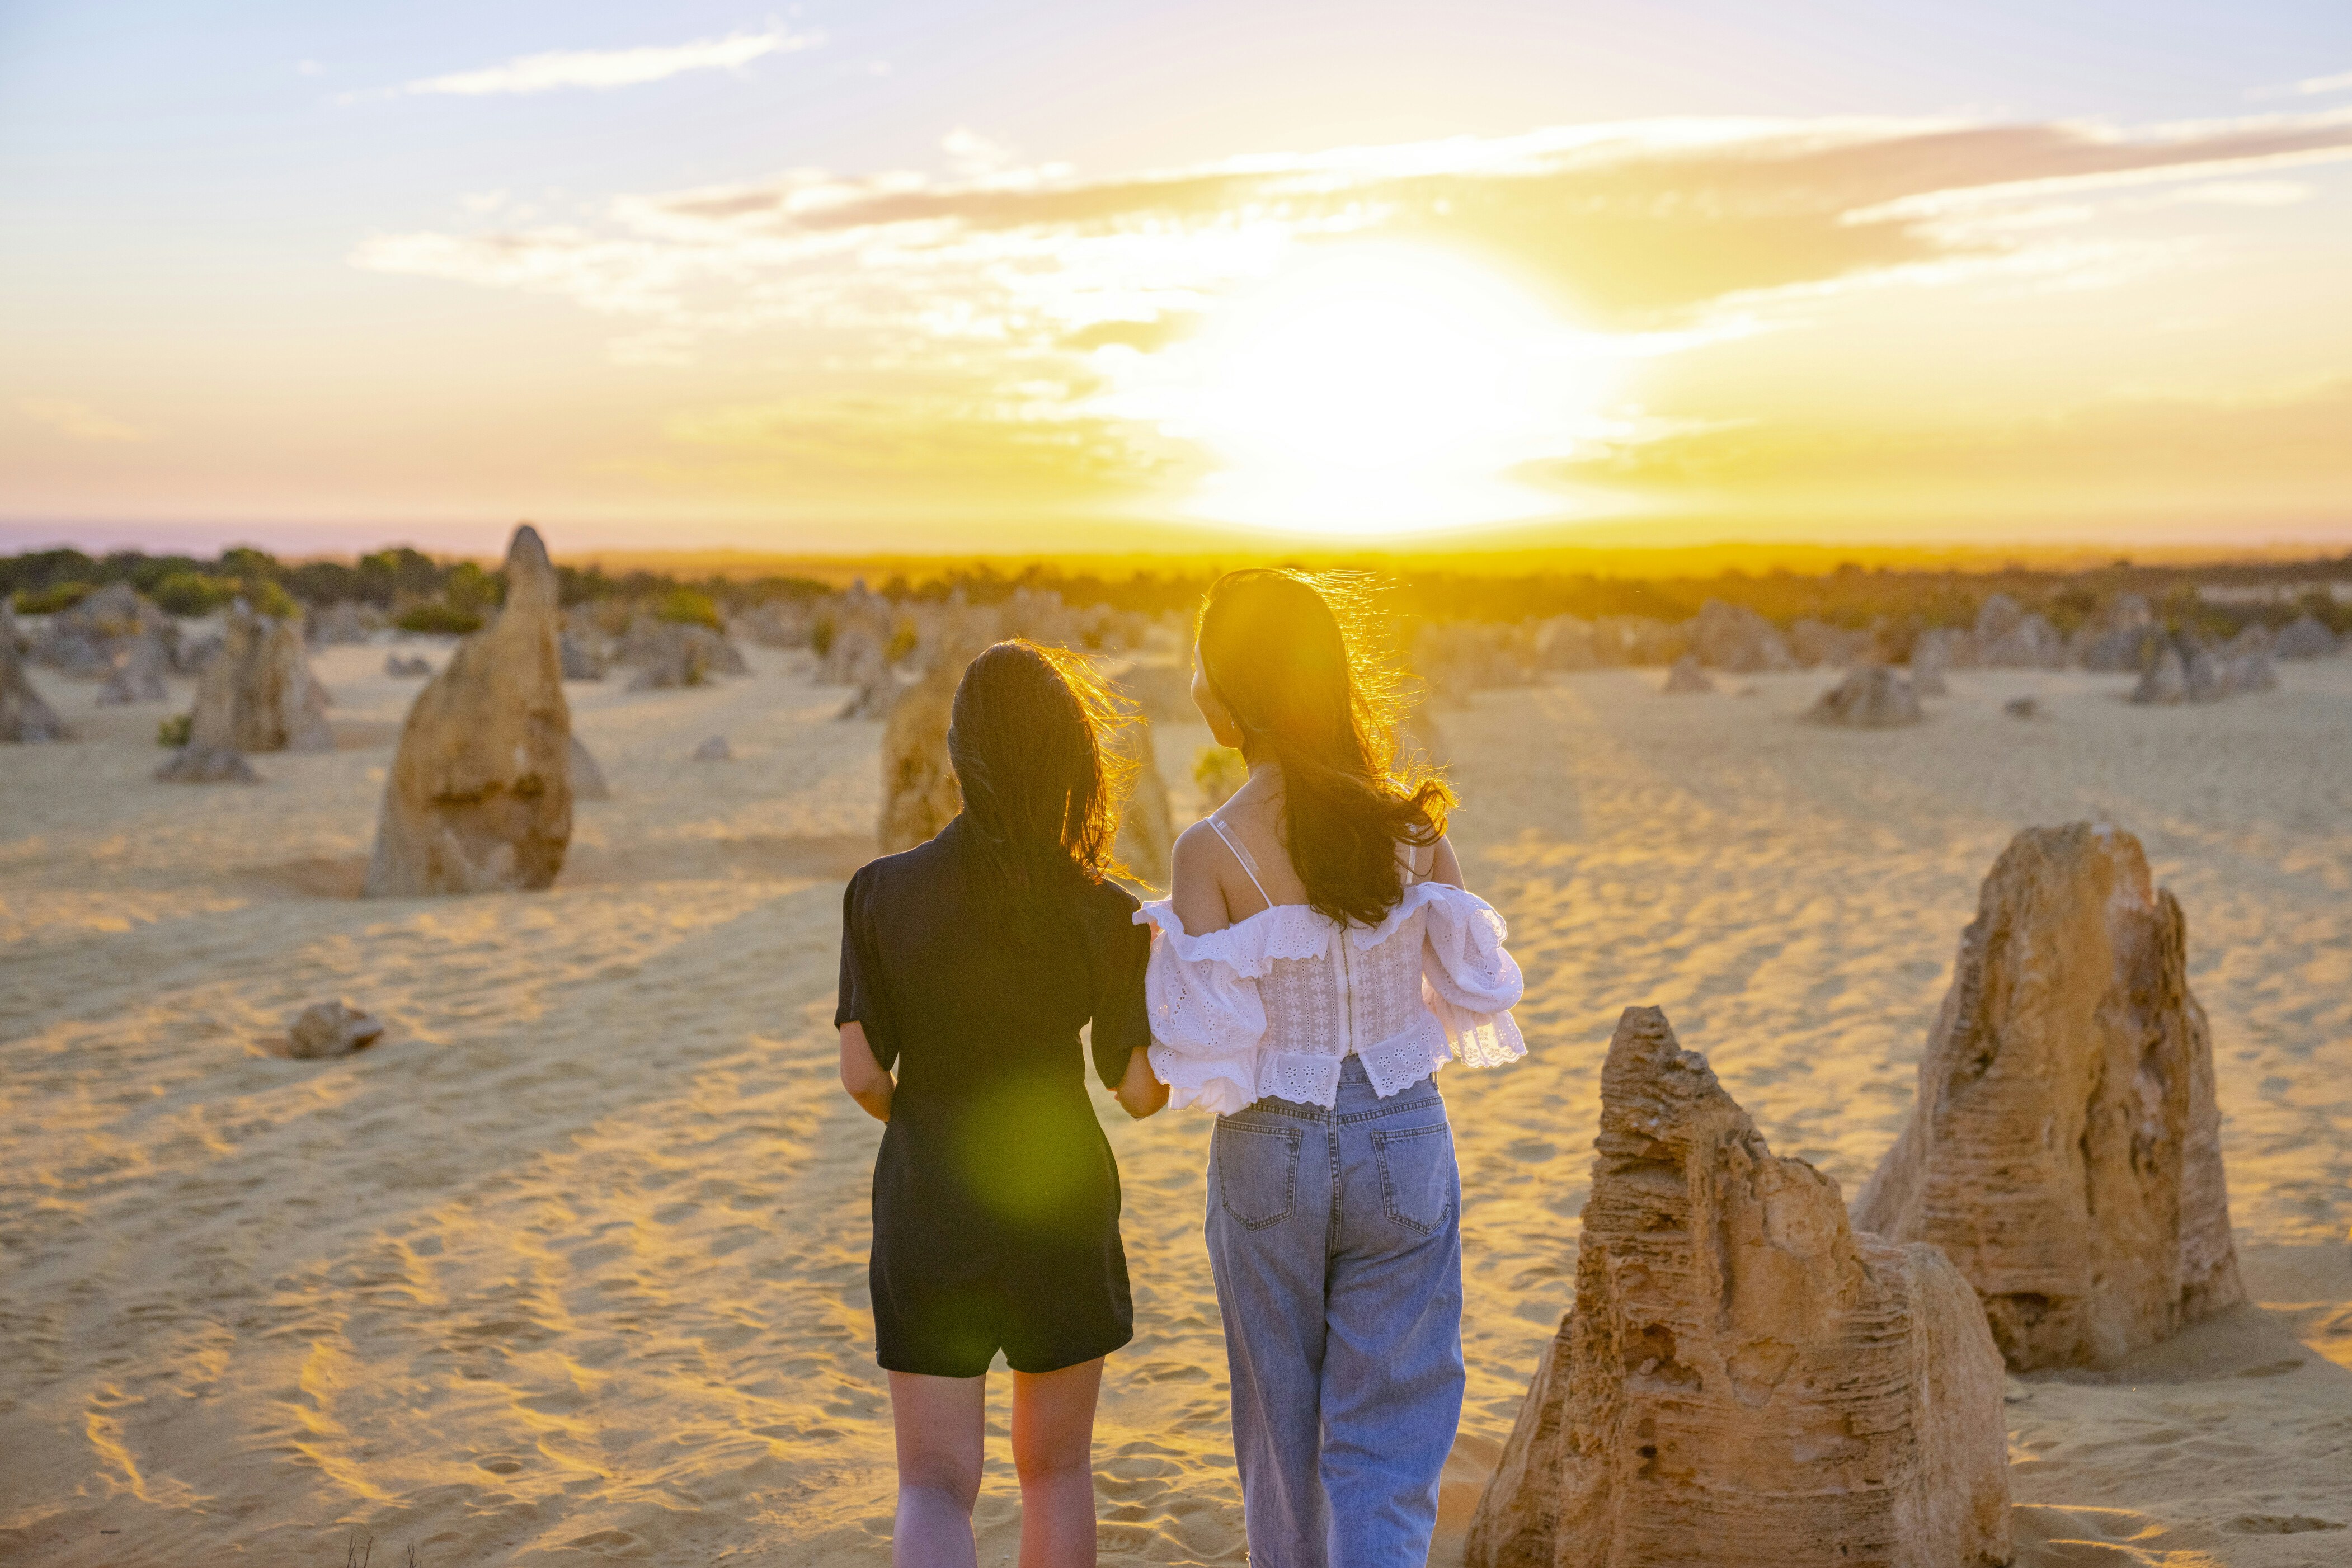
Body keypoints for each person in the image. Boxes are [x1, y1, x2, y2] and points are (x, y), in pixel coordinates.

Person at [1137, 569, 1526, 1567]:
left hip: (1273, 1144)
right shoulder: (1412, 825)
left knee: (1279, 1426)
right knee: (1388, 1445)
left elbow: (1208, 1046)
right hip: (1405, 1135)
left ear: (1236, 695)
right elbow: (1478, 987)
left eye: (1202, 663)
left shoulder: (1211, 850)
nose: (1191, 681)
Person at [835, 639, 1169, 1568]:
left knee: (933, 1482)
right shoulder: (1106, 911)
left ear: (958, 755)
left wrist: (918, 1116)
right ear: (1071, 761)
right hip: (1059, 1194)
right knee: (1056, 1470)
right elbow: (1140, 1093)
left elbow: (862, 1074)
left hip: (928, 1198)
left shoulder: (881, 893)